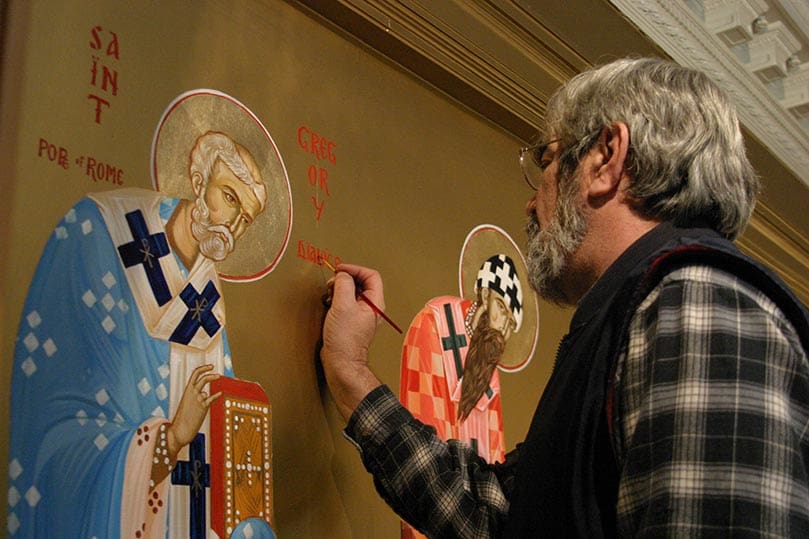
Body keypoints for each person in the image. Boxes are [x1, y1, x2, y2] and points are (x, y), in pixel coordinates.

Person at [319, 57, 809, 537]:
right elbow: (500, 516)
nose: (532, 201)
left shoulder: (700, 303)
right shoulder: (643, 313)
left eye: (548, 160)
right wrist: (350, 372)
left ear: (605, 159)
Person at [9, 131, 268, 537]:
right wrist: (169, 439)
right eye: (230, 198)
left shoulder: (208, 302)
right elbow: (57, 436)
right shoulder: (98, 232)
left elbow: (227, 470)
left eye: (245, 219)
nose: (232, 225)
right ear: (199, 182)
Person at [399, 254, 523, 538]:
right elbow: (423, 441)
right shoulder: (434, 326)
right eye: (502, 310)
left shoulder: (487, 353)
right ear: (484, 294)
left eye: (509, 322)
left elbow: (494, 455)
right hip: (435, 515)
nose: (502, 327)